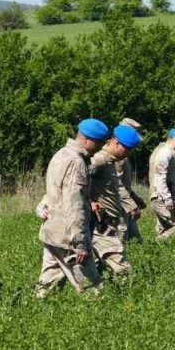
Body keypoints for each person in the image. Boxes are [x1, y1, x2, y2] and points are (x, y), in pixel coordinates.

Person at [35, 119, 109, 297]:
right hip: (68, 235)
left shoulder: (61, 154)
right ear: (86, 139)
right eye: (98, 142)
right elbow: (75, 205)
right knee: (92, 289)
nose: (101, 147)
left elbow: (53, 193)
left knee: (47, 285)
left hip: (52, 230)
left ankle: (33, 310)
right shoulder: (76, 163)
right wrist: (80, 243)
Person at [88, 124, 142, 278]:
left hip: (109, 222)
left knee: (95, 269)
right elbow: (79, 180)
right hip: (100, 224)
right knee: (123, 269)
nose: (128, 153)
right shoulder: (100, 159)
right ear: (116, 142)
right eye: (127, 149)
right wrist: (90, 201)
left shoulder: (111, 161)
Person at [117, 117, 146, 243]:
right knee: (121, 238)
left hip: (126, 203)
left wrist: (135, 197)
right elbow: (117, 184)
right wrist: (131, 204)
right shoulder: (118, 156)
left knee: (136, 240)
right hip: (119, 205)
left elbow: (124, 183)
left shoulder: (123, 154)